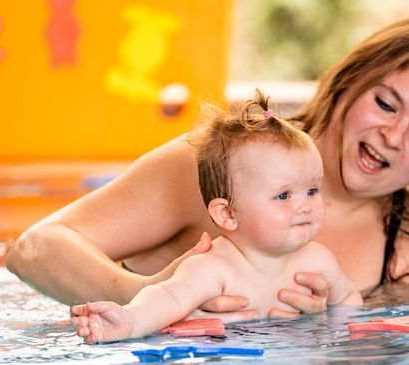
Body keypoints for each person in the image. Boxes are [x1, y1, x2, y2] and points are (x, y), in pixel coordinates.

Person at [5, 16, 409, 317]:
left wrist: (329, 325)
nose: (393, 135)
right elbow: (34, 249)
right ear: (349, 82)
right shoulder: (217, 165)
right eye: (386, 104)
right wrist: (153, 297)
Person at [70, 92, 362, 344]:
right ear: (228, 213)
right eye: (284, 196)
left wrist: (340, 333)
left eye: (312, 190)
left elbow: (349, 301)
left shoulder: (318, 261)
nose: (306, 206)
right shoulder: (214, 267)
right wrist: (129, 321)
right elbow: (166, 298)